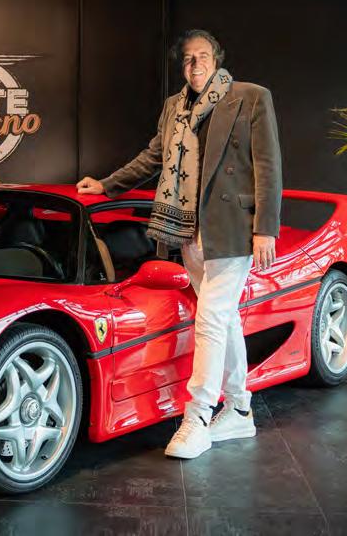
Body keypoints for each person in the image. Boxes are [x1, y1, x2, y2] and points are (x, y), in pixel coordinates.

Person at [77, 29, 282, 459]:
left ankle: (198, 416)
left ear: (217, 59)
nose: (195, 65)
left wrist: (267, 228)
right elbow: (154, 157)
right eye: (188, 59)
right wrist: (108, 185)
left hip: (233, 228)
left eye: (202, 56)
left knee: (210, 318)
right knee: (224, 320)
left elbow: (268, 166)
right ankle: (239, 409)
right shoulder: (175, 106)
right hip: (188, 228)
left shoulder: (250, 97)